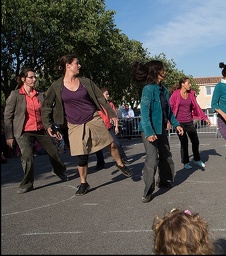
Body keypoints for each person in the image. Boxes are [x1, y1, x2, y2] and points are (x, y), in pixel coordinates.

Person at [41, 54, 132, 196]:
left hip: (92, 118)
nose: (79, 66)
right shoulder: (56, 86)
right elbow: (46, 106)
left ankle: (120, 164)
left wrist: (112, 115)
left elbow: (101, 98)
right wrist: (48, 125)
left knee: (112, 143)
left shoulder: (85, 82)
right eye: (77, 63)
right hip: (74, 124)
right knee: (81, 156)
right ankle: (84, 183)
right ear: (68, 66)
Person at [4, 67, 68, 194]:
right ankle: (27, 184)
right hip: (24, 131)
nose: (34, 79)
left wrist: (54, 128)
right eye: (31, 77)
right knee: (27, 156)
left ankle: (58, 170)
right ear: (23, 79)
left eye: (35, 77)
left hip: (41, 129)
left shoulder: (40, 95)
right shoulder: (15, 95)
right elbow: (8, 116)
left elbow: (47, 113)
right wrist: (9, 136)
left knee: (54, 153)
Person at [132, 60, 184, 203]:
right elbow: (144, 112)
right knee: (152, 159)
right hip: (149, 130)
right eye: (163, 69)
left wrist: (176, 124)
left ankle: (165, 180)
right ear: (156, 72)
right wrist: (149, 132)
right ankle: (148, 190)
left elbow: (169, 112)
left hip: (160, 129)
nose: (165, 72)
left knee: (166, 155)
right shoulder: (148, 89)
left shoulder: (164, 90)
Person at [169, 77, 211, 169]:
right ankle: (185, 162)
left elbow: (197, 107)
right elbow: (170, 108)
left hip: (189, 122)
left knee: (195, 141)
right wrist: (169, 121)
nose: (190, 85)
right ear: (182, 84)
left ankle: (196, 159)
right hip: (179, 123)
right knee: (184, 142)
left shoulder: (191, 94)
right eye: (188, 83)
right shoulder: (176, 94)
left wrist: (205, 118)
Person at [95, 87, 132, 170]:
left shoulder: (110, 104)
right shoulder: (97, 104)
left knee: (117, 143)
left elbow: (115, 116)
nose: (108, 96)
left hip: (109, 126)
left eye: (108, 94)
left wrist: (116, 126)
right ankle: (100, 163)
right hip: (100, 127)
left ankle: (123, 158)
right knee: (98, 147)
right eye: (106, 94)